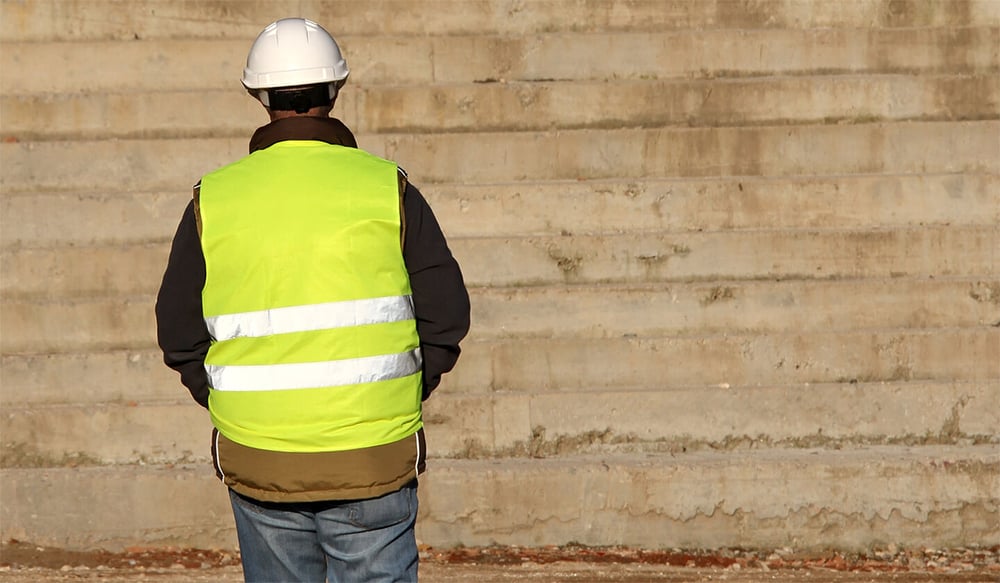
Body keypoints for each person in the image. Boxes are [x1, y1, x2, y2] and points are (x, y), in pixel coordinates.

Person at [154, 17, 470, 583]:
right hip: (372, 453)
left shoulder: (214, 198)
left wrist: (233, 403)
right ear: (336, 90)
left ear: (259, 95)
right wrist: (401, 390)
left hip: (259, 457)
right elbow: (445, 315)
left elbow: (178, 333)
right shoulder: (386, 186)